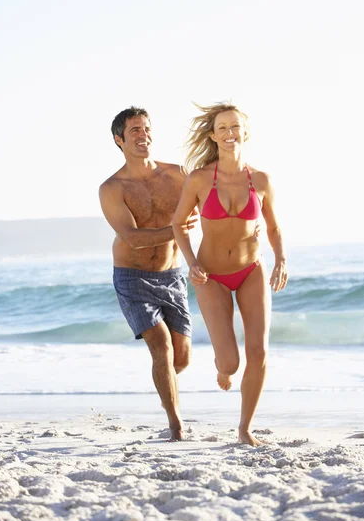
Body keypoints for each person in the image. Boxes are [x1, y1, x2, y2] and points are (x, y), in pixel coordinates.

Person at [172, 101, 288, 446]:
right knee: (232, 363)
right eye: (222, 128)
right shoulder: (199, 179)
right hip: (211, 276)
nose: (229, 133)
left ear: (245, 132)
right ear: (213, 135)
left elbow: (274, 227)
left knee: (260, 351)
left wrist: (281, 259)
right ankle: (222, 367)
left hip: (251, 270)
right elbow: (178, 224)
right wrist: (191, 262)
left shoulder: (262, 180)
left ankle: (244, 429)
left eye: (235, 126)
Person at [98, 106, 198, 441]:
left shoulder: (178, 175)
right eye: (135, 131)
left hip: (172, 276)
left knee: (179, 358)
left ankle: (164, 389)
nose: (144, 136)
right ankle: (176, 425)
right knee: (161, 346)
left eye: (146, 129)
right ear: (119, 140)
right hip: (133, 276)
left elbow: (211, 210)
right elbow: (132, 237)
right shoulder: (113, 188)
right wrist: (177, 230)